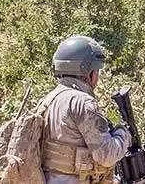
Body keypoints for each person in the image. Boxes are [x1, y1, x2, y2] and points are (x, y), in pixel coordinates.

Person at [39, 34, 132, 184]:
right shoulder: (82, 102)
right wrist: (124, 134)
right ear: (89, 72)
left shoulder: (48, 99)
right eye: (97, 70)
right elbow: (106, 155)